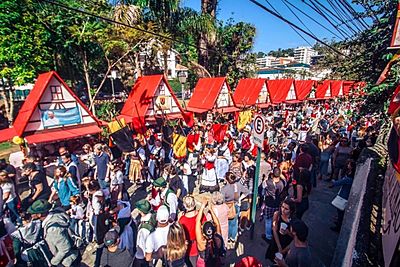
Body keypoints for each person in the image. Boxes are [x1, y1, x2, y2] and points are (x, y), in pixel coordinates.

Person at [28, 199, 80, 266]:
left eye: (33, 213)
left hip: (68, 261)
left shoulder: (52, 229)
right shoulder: (57, 212)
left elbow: (65, 248)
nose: (31, 215)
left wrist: (53, 262)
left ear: (39, 214)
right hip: (75, 254)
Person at [221, 172, 249, 248]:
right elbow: (247, 192)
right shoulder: (238, 185)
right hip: (236, 205)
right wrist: (240, 198)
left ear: (226, 179)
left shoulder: (224, 189)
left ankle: (229, 237)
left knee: (228, 223)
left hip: (227, 206)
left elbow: (222, 200)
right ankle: (233, 238)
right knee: (234, 223)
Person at [195, 200, 225, 267]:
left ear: (203, 233)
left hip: (203, 264)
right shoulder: (218, 240)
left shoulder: (202, 242)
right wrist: (211, 210)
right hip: (216, 263)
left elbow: (197, 221)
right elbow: (217, 224)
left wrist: (202, 206)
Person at [178, 195, 206, 267]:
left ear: (184, 205)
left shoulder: (182, 220)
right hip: (200, 245)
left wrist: (178, 219)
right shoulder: (200, 215)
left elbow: (179, 234)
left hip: (189, 248)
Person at [329, 160, 356, 232]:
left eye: (349, 164)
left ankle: (338, 226)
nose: (348, 165)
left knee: (340, 211)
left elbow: (339, 182)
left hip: (344, 195)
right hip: (344, 193)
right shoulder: (350, 176)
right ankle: (338, 222)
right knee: (340, 211)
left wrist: (333, 182)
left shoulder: (349, 179)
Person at [261, 167, 286, 242]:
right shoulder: (282, 183)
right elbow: (285, 180)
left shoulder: (268, 182)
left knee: (268, 220)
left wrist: (266, 177)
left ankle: (268, 236)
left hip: (269, 204)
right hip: (277, 204)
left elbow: (263, 186)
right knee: (275, 220)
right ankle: (274, 232)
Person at [134, 199, 155, 267]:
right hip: (152, 251)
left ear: (140, 211)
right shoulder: (152, 216)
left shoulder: (143, 229)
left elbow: (141, 248)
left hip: (145, 257)